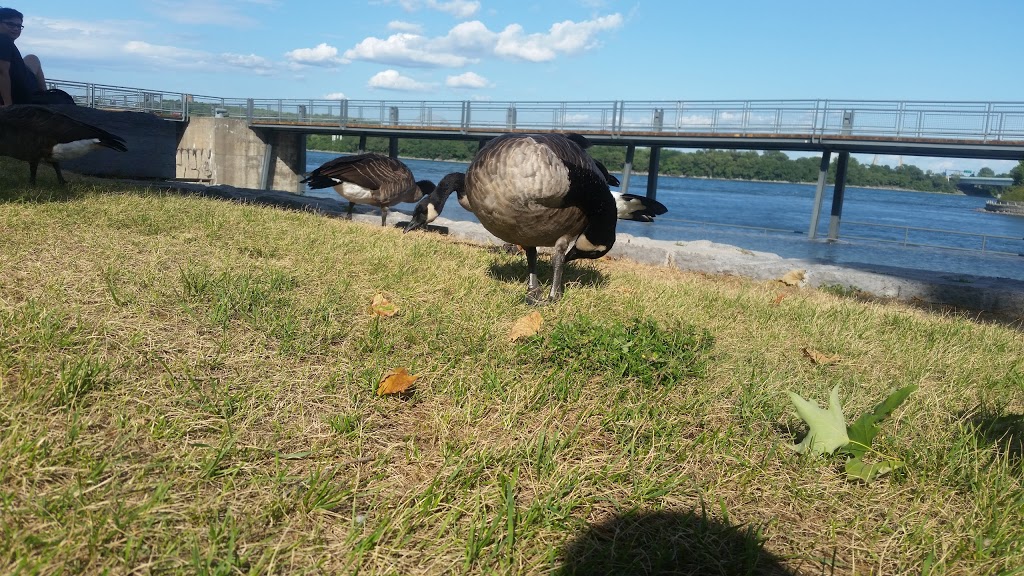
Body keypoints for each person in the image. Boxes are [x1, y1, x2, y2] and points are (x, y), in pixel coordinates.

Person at [0, 7, 47, 107]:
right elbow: (2, 71)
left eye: (19, 26)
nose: (16, 28)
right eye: (10, 24)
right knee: (33, 59)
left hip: (20, 81)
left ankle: (45, 96)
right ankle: (45, 97)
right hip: (23, 89)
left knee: (32, 58)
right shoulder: (3, 40)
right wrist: (8, 104)